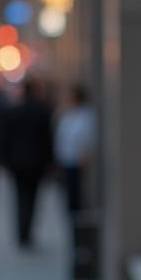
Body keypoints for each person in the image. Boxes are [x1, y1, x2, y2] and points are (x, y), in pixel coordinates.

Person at [0, 76, 54, 248]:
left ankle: (22, 232)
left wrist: (5, 160)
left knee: (20, 196)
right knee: (33, 197)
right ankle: (27, 232)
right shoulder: (43, 111)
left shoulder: (14, 111)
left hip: (18, 162)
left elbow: (6, 139)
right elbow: (48, 139)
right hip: (36, 162)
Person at [53, 82, 97, 227]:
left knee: (76, 193)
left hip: (77, 160)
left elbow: (87, 136)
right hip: (66, 158)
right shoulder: (66, 114)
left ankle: (78, 224)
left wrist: (85, 154)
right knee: (68, 192)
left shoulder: (86, 115)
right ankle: (71, 220)